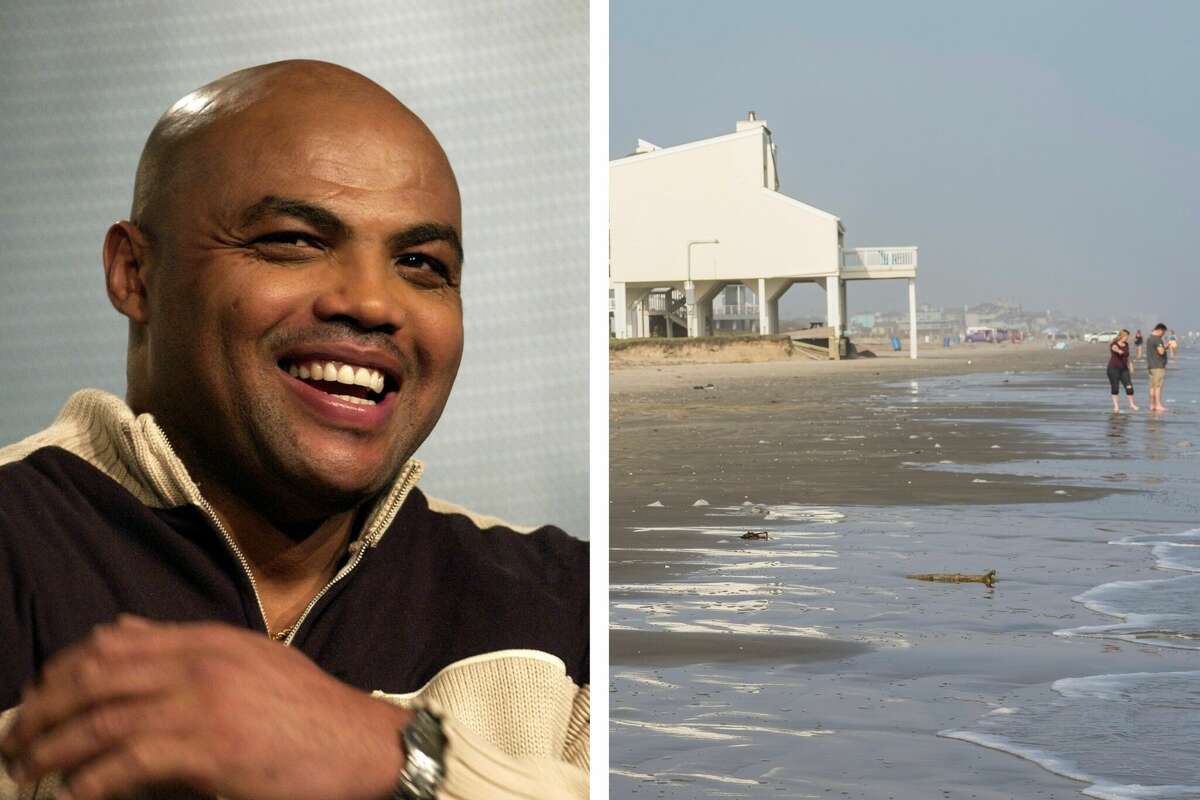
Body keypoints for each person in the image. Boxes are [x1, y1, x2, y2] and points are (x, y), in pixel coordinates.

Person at [0, 61, 588, 800]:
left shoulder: (568, 604)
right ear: (134, 273)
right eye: (294, 241)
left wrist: (396, 756)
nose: (374, 301)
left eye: (421, 263)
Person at [1106, 330, 1138, 413]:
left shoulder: (1126, 344)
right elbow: (1114, 348)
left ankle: (1131, 404)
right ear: (1122, 336)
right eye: (1126, 336)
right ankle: (1116, 406)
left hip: (1124, 369)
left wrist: (1130, 365)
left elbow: (1128, 356)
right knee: (1115, 387)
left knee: (1129, 386)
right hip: (1113, 369)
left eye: (1128, 336)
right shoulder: (1114, 344)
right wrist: (1118, 351)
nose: (1127, 338)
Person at [1147, 322, 1170, 412]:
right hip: (1158, 366)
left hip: (1151, 366)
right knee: (1158, 387)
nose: (1163, 334)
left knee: (1152, 387)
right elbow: (1161, 352)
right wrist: (1166, 347)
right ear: (1160, 330)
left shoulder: (1150, 338)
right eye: (1163, 332)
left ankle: (1152, 405)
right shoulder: (1157, 339)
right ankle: (1158, 405)